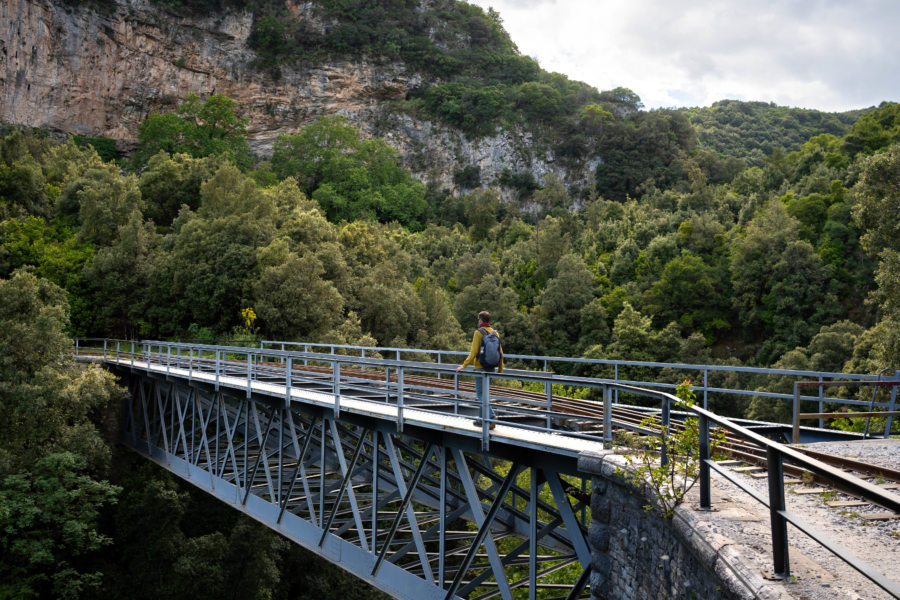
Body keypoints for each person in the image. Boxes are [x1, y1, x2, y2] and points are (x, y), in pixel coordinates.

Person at [456, 311, 504, 429]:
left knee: (480, 394)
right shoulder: (495, 333)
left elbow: (474, 352)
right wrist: (500, 370)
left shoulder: (478, 333)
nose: (478, 321)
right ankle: (481, 420)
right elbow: (501, 353)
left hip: (480, 367)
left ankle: (491, 416)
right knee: (485, 394)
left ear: (481, 320)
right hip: (491, 367)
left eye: (478, 320)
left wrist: (464, 365)